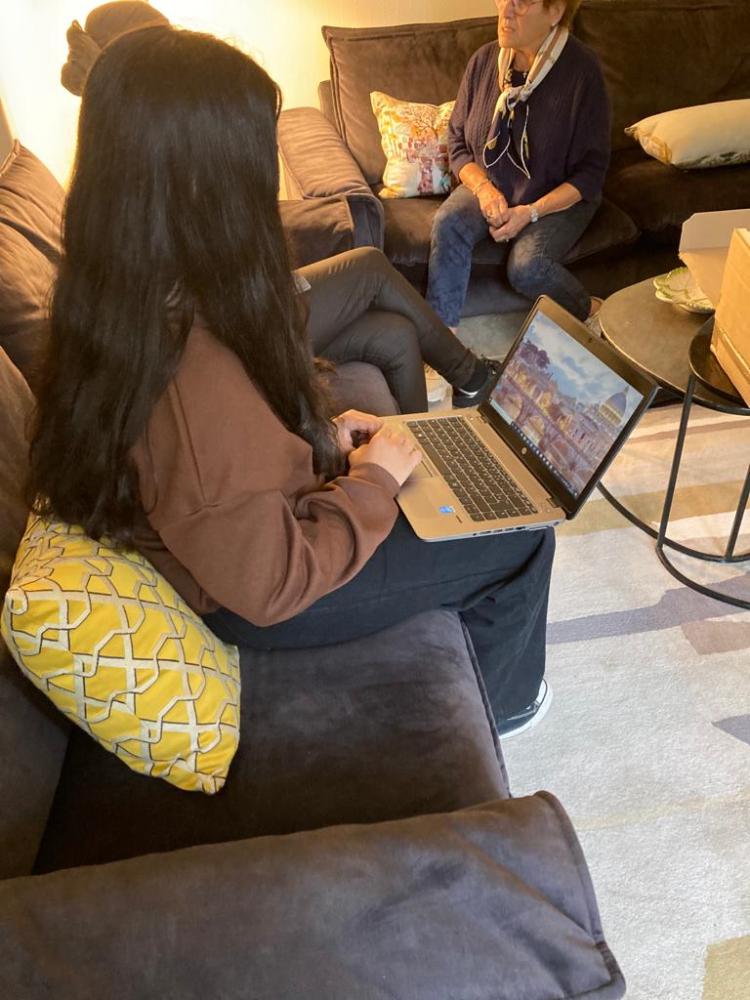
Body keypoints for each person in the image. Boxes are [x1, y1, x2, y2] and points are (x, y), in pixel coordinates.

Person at [30, 25, 555, 736]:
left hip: (245, 551)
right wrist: (372, 484)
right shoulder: (189, 372)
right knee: (522, 534)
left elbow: (227, 474)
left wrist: (321, 444)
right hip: (269, 602)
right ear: (207, 183)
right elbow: (273, 581)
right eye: (256, 159)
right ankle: (509, 707)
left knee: (440, 472)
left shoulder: (126, 294)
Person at [60, 1, 500, 413]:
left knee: (395, 334)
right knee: (368, 267)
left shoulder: (142, 165)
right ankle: (473, 376)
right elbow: (198, 321)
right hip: (235, 336)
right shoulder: (138, 193)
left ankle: (426, 454)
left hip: (241, 313)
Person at [426, 0, 610, 329]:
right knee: (448, 223)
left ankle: (590, 309)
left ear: (555, 11)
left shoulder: (583, 71)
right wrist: (484, 190)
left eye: (522, 2)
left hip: (557, 195)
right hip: (492, 182)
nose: (506, 11)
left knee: (527, 267)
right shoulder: (484, 61)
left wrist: (530, 212)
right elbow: (457, 143)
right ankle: (441, 339)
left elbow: (591, 173)